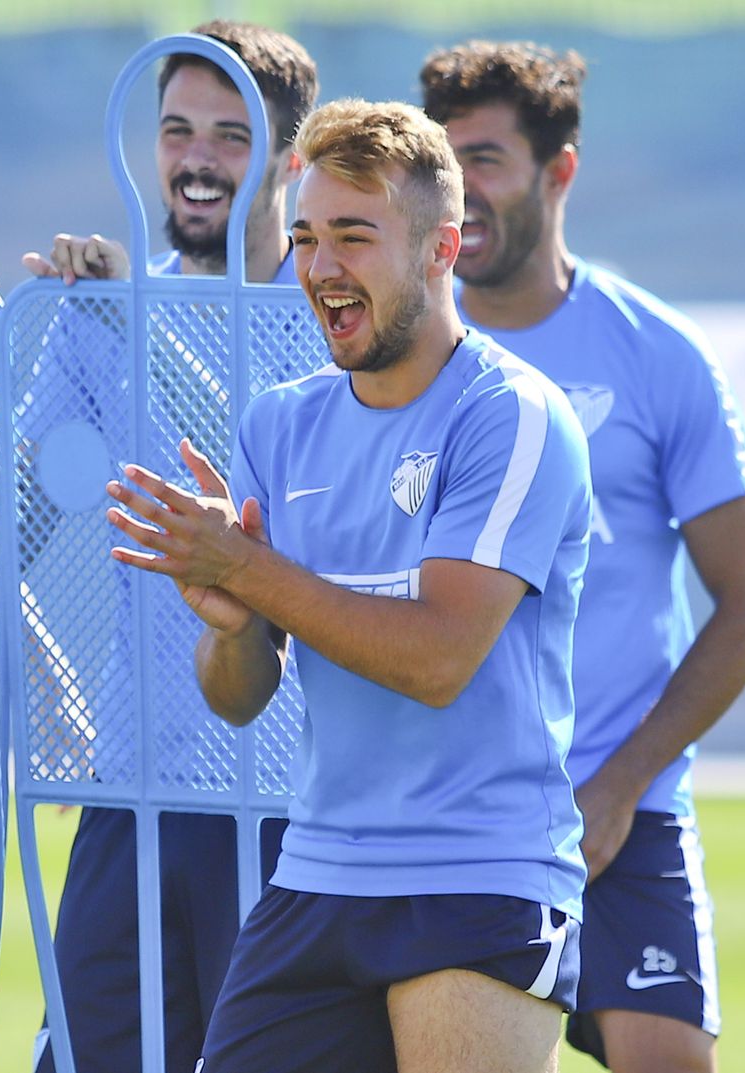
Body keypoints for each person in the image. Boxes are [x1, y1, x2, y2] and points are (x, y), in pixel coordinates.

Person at [106, 98, 593, 1073]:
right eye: (305, 237)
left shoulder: (513, 416)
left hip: (477, 876)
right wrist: (232, 621)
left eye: (353, 237)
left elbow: (436, 656)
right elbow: (236, 697)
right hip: (315, 874)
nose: (320, 268)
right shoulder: (276, 425)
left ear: (440, 248)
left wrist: (248, 567)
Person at [0, 20, 318, 1073]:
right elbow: (4, 528)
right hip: (134, 792)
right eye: (177, 130)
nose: (198, 158)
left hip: (296, 803)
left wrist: (132, 320)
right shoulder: (102, 309)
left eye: (232, 135)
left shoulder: (338, 312)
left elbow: (269, 510)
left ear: (289, 162)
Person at [420, 41, 745, 1073]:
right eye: (444, 167)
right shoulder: (397, 360)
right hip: (447, 815)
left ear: (558, 171)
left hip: (622, 816)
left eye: (485, 159)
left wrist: (619, 786)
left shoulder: (657, 352)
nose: (463, 193)